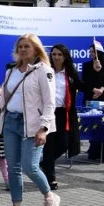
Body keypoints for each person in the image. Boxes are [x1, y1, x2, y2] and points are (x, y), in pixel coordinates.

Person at [0, 33, 60, 206]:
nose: (23, 49)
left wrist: (44, 128)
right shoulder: (12, 71)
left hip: (32, 124)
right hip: (11, 122)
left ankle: (49, 196)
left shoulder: (44, 70)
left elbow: (50, 103)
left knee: (30, 166)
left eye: (27, 46)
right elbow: (3, 98)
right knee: (13, 168)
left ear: (36, 48)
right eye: (20, 46)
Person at [41, 44, 81, 188]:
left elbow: (81, 85)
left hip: (64, 113)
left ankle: (45, 164)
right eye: (54, 54)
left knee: (64, 144)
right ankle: (51, 178)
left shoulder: (69, 73)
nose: (56, 57)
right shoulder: (46, 71)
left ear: (65, 57)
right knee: (49, 146)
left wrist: (96, 74)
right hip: (48, 112)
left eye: (60, 55)